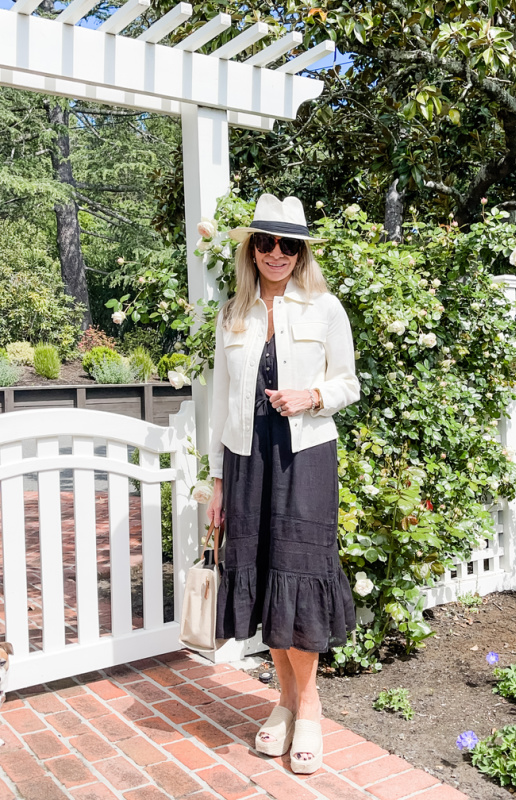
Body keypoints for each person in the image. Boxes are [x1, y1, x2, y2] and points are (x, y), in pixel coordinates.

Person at [206, 193, 360, 774]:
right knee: (265, 570)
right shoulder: (233, 313)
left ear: (300, 252)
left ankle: (310, 707)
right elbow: (222, 402)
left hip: (306, 457)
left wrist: (313, 395)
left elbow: (350, 383)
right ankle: (282, 703)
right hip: (248, 459)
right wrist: (218, 482)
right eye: (265, 242)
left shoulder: (325, 309)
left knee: (299, 572)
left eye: (287, 244)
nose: (276, 253)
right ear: (252, 249)